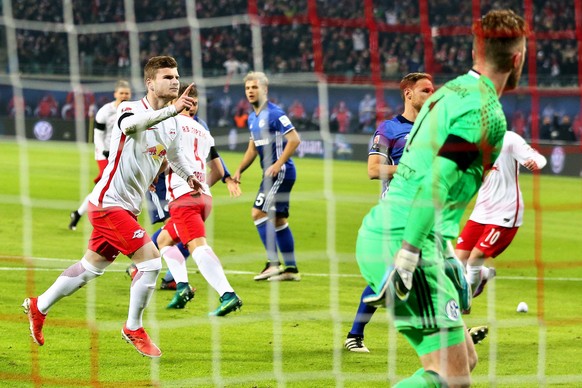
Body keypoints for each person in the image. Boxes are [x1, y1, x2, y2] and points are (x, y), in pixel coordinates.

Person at [355, 10, 528, 386]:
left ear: (473, 52)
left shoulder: (446, 93)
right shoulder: (486, 111)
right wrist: (410, 252)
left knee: (465, 358)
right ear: (517, 59)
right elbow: (437, 179)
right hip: (404, 241)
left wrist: (445, 253)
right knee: (454, 378)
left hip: (394, 232)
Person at [23, 56, 200, 358]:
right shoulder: (128, 109)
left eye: (177, 76)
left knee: (89, 268)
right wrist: (173, 109)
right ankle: (133, 328)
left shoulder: (172, 124)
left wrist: (190, 175)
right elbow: (132, 127)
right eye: (168, 77)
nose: (175, 81)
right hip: (108, 204)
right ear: (150, 83)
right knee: (151, 261)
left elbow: (174, 155)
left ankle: (39, 306)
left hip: (127, 207)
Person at [345, 72, 435, 353]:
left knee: (432, 272)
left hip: (427, 212)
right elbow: (373, 170)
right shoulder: (389, 129)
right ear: (408, 94)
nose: (431, 95)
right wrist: (407, 170)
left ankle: (447, 332)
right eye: (425, 90)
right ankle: (355, 335)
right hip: (397, 212)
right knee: (392, 273)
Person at [152, 83, 243, 316]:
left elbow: (164, 159)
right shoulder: (204, 131)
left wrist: (152, 177)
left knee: (198, 247)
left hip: (183, 198)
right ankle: (182, 287)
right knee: (163, 241)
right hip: (204, 198)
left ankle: (228, 294)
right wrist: (201, 186)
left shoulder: (170, 123)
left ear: (176, 101)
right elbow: (219, 171)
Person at [456, 130, 547, 299]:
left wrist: (535, 163)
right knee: (457, 261)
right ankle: (482, 275)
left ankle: (464, 303)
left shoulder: (510, 139)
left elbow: (540, 158)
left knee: (475, 258)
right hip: (481, 210)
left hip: (506, 211)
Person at [233, 71, 302, 281]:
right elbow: (252, 149)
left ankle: (273, 263)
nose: (251, 91)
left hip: (279, 172)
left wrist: (278, 163)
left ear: (265, 89)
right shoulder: (252, 117)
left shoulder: (274, 113)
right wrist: (239, 170)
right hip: (277, 173)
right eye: (248, 88)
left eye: (255, 87)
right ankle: (291, 270)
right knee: (279, 220)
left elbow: (295, 139)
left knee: (258, 213)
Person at [69, 80, 132, 230]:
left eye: (127, 93)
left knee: (104, 188)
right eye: (121, 93)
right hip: (104, 154)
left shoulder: (132, 110)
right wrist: (104, 150)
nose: (124, 96)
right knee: (107, 186)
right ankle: (108, 219)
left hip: (120, 154)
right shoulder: (105, 111)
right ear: (115, 94)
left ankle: (78, 214)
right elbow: (98, 135)